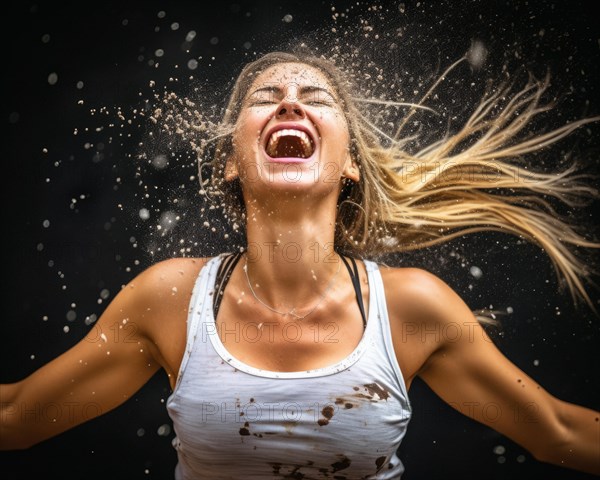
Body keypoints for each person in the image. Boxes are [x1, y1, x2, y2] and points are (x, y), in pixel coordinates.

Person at [1, 49, 599, 479]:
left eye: (315, 99)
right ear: (231, 164)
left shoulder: (412, 307)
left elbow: (558, 433)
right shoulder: (170, 300)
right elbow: (19, 417)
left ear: (350, 165)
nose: (289, 102)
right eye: (266, 98)